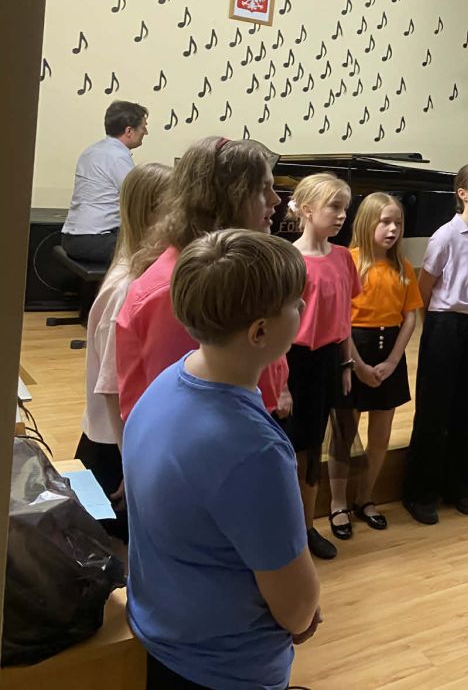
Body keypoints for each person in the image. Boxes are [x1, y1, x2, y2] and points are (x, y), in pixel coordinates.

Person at [123, 229, 320, 690]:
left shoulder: (166, 383)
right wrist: (304, 608)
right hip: (223, 669)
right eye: (294, 304)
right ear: (259, 331)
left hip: (159, 637)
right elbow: (296, 609)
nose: (302, 308)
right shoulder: (254, 450)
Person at [116, 137, 289, 420]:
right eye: (262, 189)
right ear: (229, 198)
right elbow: (180, 407)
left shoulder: (225, 268)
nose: (276, 200)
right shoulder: (173, 291)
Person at [74, 162, 171, 542]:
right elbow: (113, 388)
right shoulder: (128, 287)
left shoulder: (138, 276)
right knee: (117, 553)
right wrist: (132, 464)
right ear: (153, 214)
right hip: (115, 446)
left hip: (123, 441)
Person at [402, 163, 468, 525]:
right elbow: (425, 289)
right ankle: (420, 492)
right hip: (445, 323)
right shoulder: (445, 236)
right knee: (434, 408)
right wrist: (436, 329)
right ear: (463, 193)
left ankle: (460, 486)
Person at [327, 192, 421, 535]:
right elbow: (339, 318)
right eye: (385, 222)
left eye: (398, 223)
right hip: (353, 351)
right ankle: (338, 503)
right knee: (344, 435)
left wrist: (394, 361)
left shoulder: (403, 267)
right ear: (367, 223)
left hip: (388, 353)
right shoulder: (347, 262)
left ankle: (365, 497)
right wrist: (357, 364)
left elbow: (410, 317)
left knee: (380, 437)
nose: (393, 229)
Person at [284, 173, 361, 560]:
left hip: (329, 359)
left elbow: (344, 316)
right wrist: (281, 383)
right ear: (308, 209)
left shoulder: (344, 257)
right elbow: (280, 326)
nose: (342, 215)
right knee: (293, 447)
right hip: (294, 363)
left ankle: (307, 526)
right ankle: (285, 530)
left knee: (316, 446)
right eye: (334, 206)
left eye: (345, 207)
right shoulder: (289, 260)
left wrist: (346, 363)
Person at [61, 100, 149, 264]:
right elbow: (138, 198)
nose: (146, 132)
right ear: (129, 131)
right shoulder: (117, 157)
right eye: (143, 127)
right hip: (95, 240)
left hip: (71, 238)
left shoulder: (92, 151)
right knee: (153, 252)